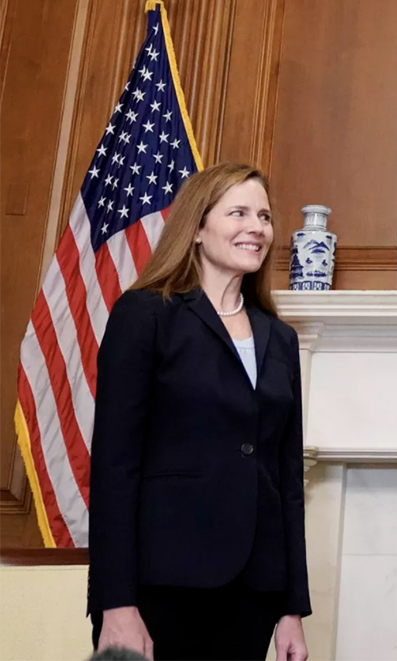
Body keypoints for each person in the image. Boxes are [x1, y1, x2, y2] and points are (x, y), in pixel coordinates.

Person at [88, 163, 309, 661]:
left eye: (265, 216)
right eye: (238, 213)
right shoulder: (145, 315)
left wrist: (292, 608)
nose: (257, 227)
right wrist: (116, 603)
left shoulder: (281, 339)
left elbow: (286, 479)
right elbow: (113, 470)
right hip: (161, 586)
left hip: (254, 592)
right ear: (197, 228)